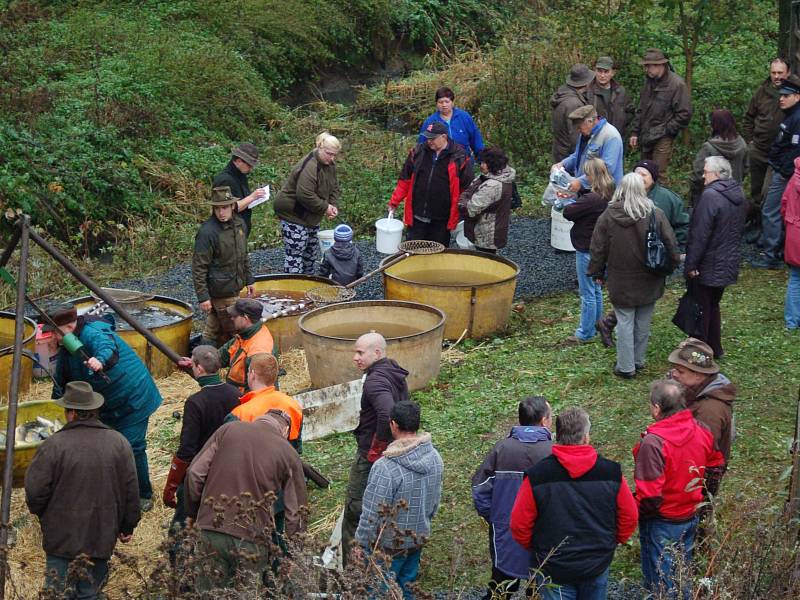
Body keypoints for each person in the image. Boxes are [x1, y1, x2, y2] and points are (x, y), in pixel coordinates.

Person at [25, 381, 140, 599]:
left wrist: (44, 515)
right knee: (90, 593)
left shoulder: (53, 445)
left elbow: (34, 491)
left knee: (57, 594)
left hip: (61, 539)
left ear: (72, 414)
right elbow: (132, 491)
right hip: (101, 537)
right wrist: (128, 525)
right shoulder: (119, 443)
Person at [510, 407, 638, 600]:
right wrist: (613, 541)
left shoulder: (538, 476)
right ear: (586, 437)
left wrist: (539, 549)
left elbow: (519, 524)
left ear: (557, 436)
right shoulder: (611, 473)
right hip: (596, 561)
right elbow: (630, 516)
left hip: (553, 565)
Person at [47, 303, 162, 511]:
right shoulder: (67, 348)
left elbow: (106, 347)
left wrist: (99, 361)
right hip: (106, 403)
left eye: (54, 333)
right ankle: (110, 487)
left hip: (132, 397)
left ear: (69, 328)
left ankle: (143, 495)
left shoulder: (93, 331)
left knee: (132, 446)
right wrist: (52, 409)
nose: (52, 338)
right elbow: (62, 382)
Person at [184, 409, 308, 590]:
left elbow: (194, 473)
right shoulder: (288, 452)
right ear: (285, 430)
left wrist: (196, 515)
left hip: (211, 530)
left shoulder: (228, 430)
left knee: (207, 594)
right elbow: (296, 511)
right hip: (252, 541)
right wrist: (294, 553)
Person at [633, 379, 725, 598]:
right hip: (690, 516)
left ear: (656, 408)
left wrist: (633, 514)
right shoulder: (701, 429)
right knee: (682, 575)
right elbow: (716, 466)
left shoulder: (654, 443)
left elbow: (649, 497)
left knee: (660, 584)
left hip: (661, 521)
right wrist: (700, 497)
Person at [588, 173, 680, 378]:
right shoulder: (655, 214)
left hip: (621, 279)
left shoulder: (609, 216)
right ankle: (638, 360)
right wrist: (671, 266)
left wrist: (596, 271)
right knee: (643, 323)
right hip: (650, 277)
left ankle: (626, 367)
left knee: (625, 323)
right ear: (642, 190)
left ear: (621, 189)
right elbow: (671, 244)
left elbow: (598, 248)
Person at [595, 160, 690, 348]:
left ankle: (614, 335)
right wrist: (598, 269)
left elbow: (681, 228)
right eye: (636, 173)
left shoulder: (667, 200)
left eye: (644, 174)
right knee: (630, 306)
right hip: (628, 266)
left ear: (653, 178)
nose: (639, 177)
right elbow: (600, 242)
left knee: (636, 306)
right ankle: (614, 334)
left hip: (653, 262)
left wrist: (667, 251)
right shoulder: (617, 205)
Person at [355, 400, 444, 600]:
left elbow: (371, 513)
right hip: (418, 538)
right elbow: (434, 502)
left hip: (387, 548)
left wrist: (360, 544)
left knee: (380, 593)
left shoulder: (385, 467)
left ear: (393, 425)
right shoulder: (435, 458)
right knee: (408, 588)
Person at [471, 397, 553, 600]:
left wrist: (494, 516)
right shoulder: (553, 452)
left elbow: (480, 488)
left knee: (501, 585)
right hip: (545, 529)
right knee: (541, 582)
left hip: (505, 529)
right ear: (544, 421)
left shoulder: (502, 449)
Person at [342, 332, 410, 564]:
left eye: (360, 352)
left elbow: (387, 413)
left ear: (377, 353)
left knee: (355, 508)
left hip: (373, 453)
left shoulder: (375, 381)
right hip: (396, 450)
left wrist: (377, 447)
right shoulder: (392, 370)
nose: (355, 358)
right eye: (355, 352)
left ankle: (353, 569)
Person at [162, 345, 240, 529]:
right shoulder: (236, 395)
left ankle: (178, 551)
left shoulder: (195, 403)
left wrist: (172, 485)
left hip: (201, 468)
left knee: (183, 522)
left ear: (198, 368)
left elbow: (187, 449)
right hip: (228, 465)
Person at [684, 156, 747, 358]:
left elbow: (699, 234)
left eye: (706, 172)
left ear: (718, 174)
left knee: (701, 308)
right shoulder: (737, 194)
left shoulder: (710, 196)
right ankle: (715, 347)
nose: (703, 176)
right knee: (713, 304)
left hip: (709, 262)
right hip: (727, 261)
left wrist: (691, 263)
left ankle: (701, 352)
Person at [667, 338, 735, 498]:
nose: (673, 374)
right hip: (689, 471)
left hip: (697, 478)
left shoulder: (709, 411)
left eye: (680, 371)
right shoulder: (695, 388)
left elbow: (699, 453)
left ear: (698, 375)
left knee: (697, 517)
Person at [388, 121, 473, 246]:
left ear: (444, 137)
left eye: (432, 138)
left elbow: (467, 188)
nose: (429, 141)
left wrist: (465, 213)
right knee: (412, 249)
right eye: (427, 137)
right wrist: (394, 202)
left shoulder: (459, 156)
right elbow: (404, 180)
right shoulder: (418, 152)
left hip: (442, 217)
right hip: (417, 214)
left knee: (438, 252)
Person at [192, 185, 254, 346]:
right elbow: (199, 267)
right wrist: (203, 296)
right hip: (220, 290)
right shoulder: (207, 232)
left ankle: (202, 359)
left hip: (235, 285)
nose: (221, 212)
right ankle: (236, 359)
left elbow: (243, 255)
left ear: (233, 206)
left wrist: (249, 279)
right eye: (217, 208)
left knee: (213, 326)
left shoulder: (239, 224)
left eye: (225, 207)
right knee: (237, 327)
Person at [563, 158, 615, 344]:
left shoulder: (591, 199)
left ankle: (584, 333)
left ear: (592, 175)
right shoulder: (608, 193)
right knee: (596, 289)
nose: (585, 176)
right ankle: (597, 325)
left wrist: (566, 200)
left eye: (587, 173)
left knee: (587, 293)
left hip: (587, 246)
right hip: (600, 247)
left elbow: (568, 213)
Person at [274, 132, 341, 274]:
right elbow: (304, 194)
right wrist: (325, 207)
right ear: (319, 148)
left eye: (335, 155)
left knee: (310, 251)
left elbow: (334, 186)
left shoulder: (330, 164)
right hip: (292, 212)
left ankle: (308, 282)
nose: (332, 158)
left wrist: (333, 205)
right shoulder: (309, 166)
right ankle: (293, 286)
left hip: (311, 213)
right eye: (329, 154)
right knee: (296, 252)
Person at [753, 76, 800, 269]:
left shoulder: (797, 118)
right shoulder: (790, 115)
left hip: (786, 173)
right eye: (781, 95)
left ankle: (771, 255)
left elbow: (796, 151)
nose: (781, 99)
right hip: (784, 171)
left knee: (771, 210)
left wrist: (784, 171)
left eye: (786, 96)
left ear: (797, 96)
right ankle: (778, 250)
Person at [742, 58, 791, 241]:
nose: (776, 76)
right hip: (758, 149)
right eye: (773, 72)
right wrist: (750, 141)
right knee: (755, 190)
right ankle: (755, 224)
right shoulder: (761, 92)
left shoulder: (793, 91)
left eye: (780, 73)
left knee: (768, 192)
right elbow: (748, 118)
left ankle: (768, 231)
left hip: (779, 152)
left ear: (787, 72)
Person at [629, 48, 692, 179]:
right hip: (646, 135)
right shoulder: (648, 81)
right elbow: (641, 108)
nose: (646, 69)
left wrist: (667, 130)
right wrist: (635, 132)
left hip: (663, 137)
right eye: (645, 66)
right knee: (642, 173)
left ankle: (661, 200)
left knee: (658, 175)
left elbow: (684, 114)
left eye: (649, 66)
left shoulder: (677, 84)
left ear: (660, 65)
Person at [228, 353, 303, 447]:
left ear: (252, 374)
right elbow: (296, 448)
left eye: (248, 372)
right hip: (285, 460)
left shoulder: (239, 414)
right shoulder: (293, 405)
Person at [457, 147, 516, 253]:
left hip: (486, 234)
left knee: (484, 261)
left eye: (484, 162)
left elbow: (470, 209)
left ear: (493, 164)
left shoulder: (492, 185)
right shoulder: (499, 177)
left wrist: (462, 200)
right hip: (493, 228)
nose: (481, 165)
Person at [554, 104, 623, 191]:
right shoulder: (586, 134)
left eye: (579, 127)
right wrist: (562, 164)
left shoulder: (611, 136)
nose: (578, 130)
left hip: (606, 192)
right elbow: (577, 156)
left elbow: (607, 169)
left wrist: (580, 182)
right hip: (587, 190)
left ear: (590, 121)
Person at [689, 109, 748, 205]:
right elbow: (745, 169)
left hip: (711, 198)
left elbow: (697, 174)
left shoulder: (708, 148)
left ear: (714, 125)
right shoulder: (742, 144)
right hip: (736, 196)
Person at [219, 298, 274, 393]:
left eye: (235, 316)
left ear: (246, 318)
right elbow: (221, 356)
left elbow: (258, 391)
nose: (231, 318)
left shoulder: (258, 350)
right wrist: (198, 361)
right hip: (234, 391)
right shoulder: (244, 335)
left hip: (244, 398)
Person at [213, 142, 267, 237]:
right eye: (249, 165)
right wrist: (252, 197)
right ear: (238, 161)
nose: (251, 169)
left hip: (239, 231)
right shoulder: (224, 180)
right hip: (229, 233)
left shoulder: (240, 175)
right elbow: (227, 209)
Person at [418, 86, 485, 160]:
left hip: (464, 161)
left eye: (447, 101)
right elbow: (422, 146)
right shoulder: (430, 122)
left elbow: (476, 139)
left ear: (452, 102)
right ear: (436, 104)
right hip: (440, 164)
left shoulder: (464, 117)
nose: (444, 105)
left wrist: (482, 160)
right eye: (440, 102)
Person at [585, 56, 635, 140]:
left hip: (616, 138)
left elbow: (631, 112)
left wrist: (622, 124)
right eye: (599, 71)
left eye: (606, 72)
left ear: (613, 73)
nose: (602, 75)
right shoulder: (588, 91)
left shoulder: (620, 91)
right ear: (595, 71)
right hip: (594, 140)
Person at [551, 64, 593, 162]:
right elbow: (576, 136)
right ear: (586, 82)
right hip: (569, 156)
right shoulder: (573, 104)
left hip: (561, 152)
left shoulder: (563, 94)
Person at [782, 155, 800, 329]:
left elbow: (784, 204)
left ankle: (792, 322)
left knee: (795, 278)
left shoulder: (795, 177)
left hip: (795, 234)